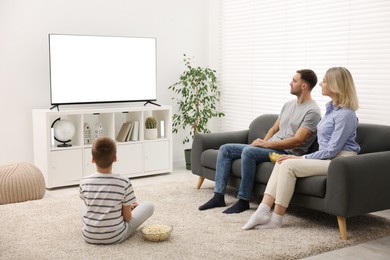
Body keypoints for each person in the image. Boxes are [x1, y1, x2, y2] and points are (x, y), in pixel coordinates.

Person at [242, 67, 360, 230]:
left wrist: (301, 158)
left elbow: (333, 150)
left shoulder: (346, 114)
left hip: (341, 161)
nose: (320, 83)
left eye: (325, 81)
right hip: (328, 159)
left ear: (336, 84)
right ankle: (263, 211)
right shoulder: (331, 110)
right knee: (282, 162)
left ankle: (276, 219)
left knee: (288, 164)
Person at [199, 69, 322, 214]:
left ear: (304, 86)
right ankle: (218, 196)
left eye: (294, 81)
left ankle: (243, 200)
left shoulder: (312, 112)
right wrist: (262, 143)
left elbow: (297, 141)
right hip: (270, 146)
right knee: (225, 149)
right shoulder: (288, 105)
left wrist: (266, 145)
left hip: (286, 152)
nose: (290, 83)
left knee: (249, 152)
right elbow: (274, 128)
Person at [79, 136, 154, 244]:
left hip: (89, 235)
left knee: (82, 202)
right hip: (115, 236)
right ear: (115, 158)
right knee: (149, 205)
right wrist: (125, 207)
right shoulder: (124, 182)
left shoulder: (83, 182)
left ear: (92, 159)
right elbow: (127, 218)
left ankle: (95, 221)